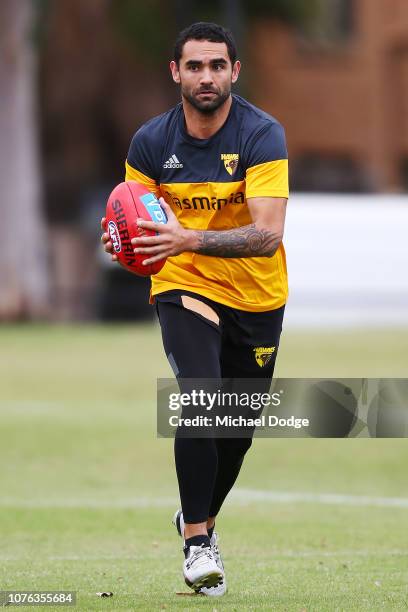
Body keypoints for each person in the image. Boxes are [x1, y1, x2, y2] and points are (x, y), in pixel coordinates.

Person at [101, 21, 289, 596]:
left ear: (235, 71)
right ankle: (198, 544)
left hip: (257, 294)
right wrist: (121, 242)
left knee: (236, 430)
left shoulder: (263, 134)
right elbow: (134, 221)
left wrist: (187, 238)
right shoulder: (150, 144)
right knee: (201, 398)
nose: (206, 76)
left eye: (217, 66)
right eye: (195, 66)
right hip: (184, 285)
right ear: (175, 72)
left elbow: (267, 235)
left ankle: (194, 515)